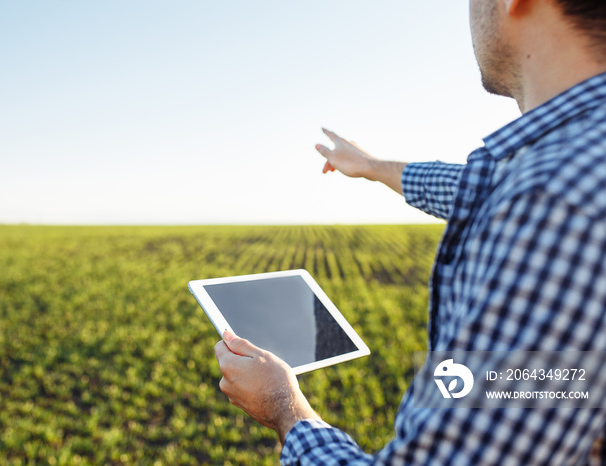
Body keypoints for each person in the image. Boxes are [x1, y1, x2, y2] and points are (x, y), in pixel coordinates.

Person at [214, 0, 606, 463]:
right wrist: (373, 167)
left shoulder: (556, 201)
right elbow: (479, 189)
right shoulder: (573, 161)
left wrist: (286, 409)